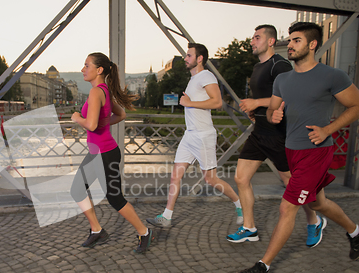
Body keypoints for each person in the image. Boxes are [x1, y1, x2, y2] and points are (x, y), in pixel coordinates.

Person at [238, 22, 359, 273]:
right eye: (289, 40)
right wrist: (274, 114)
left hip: (316, 151)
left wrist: (328, 129)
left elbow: (356, 105)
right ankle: (355, 231)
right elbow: (271, 112)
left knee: (287, 206)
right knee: (316, 203)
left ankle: (263, 265)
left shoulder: (332, 76)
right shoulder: (282, 79)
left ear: (312, 44)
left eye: (296, 40)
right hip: (291, 150)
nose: (290, 45)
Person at [227, 24, 320, 245]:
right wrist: (255, 111)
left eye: (257, 37)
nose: (252, 41)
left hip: (279, 135)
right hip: (259, 133)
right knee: (241, 178)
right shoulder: (258, 67)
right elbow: (266, 98)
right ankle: (249, 228)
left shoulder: (280, 65)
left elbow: (289, 95)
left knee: (292, 184)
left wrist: (256, 102)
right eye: (252, 37)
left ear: (270, 41)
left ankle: (314, 220)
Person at [147, 43, 243, 228]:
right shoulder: (193, 80)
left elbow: (217, 102)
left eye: (189, 55)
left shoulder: (206, 75)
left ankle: (240, 204)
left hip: (203, 136)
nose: (185, 58)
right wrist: (189, 102)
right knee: (176, 175)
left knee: (210, 179)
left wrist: (189, 103)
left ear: (200, 59)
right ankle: (167, 216)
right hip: (190, 136)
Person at [70, 52, 154, 254]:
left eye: (86, 65)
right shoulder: (103, 90)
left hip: (105, 153)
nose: (83, 69)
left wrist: (76, 118)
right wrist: (99, 123)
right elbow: (121, 114)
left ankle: (144, 232)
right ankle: (97, 230)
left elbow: (90, 125)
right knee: (77, 190)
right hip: (98, 152)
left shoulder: (96, 92)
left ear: (99, 70)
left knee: (115, 199)